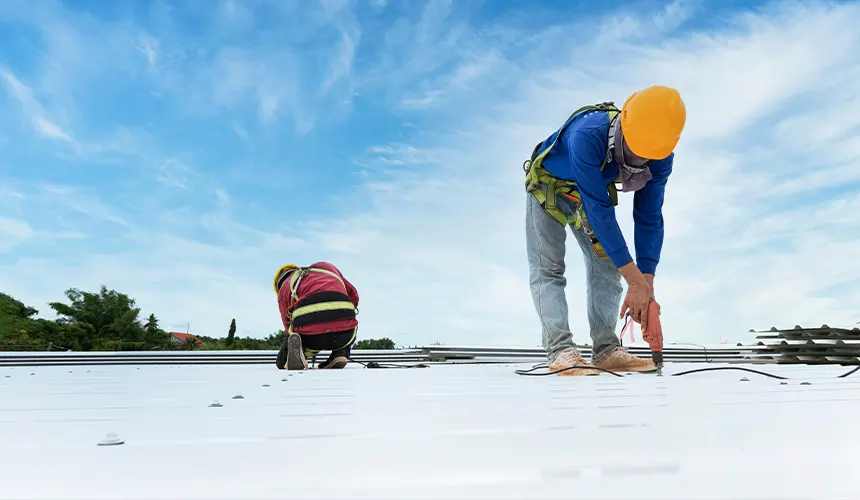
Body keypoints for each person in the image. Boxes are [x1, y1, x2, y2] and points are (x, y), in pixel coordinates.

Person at [523, 85, 686, 376]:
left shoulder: (661, 155)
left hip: (589, 193)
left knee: (607, 265)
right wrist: (634, 281)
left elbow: (649, 216)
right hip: (547, 187)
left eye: (647, 157)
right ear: (623, 125)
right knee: (549, 269)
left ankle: (607, 349)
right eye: (634, 153)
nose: (639, 163)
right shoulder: (588, 135)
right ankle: (561, 350)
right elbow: (599, 210)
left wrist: (646, 285)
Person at [272, 261, 360, 370]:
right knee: (349, 322)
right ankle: (341, 353)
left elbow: (288, 326)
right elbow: (354, 295)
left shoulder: (284, 289)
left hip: (311, 337)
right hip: (345, 333)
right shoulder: (326, 267)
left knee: (281, 361)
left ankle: (296, 355)